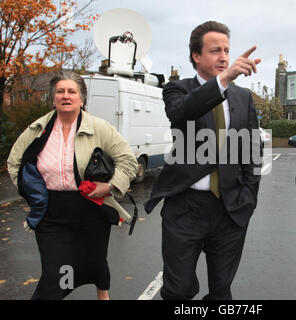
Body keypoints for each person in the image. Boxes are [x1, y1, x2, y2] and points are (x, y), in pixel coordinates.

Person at [144, 21, 262, 300]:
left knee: (222, 291)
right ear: (196, 56)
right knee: (178, 290)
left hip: (230, 209)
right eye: (215, 51)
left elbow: (252, 150)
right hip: (185, 208)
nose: (223, 57)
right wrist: (223, 80)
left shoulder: (243, 97)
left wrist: (249, 196)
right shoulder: (177, 90)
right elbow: (182, 113)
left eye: (227, 50)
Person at [7, 70, 138, 300]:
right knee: (53, 272)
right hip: (50, 212)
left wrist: (108, 188)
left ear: (82, 98)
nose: (66, 96)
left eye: (71, 91)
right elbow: (14, 162)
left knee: (95, 261)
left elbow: (128, 161)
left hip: (91, 210)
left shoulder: (100, 128)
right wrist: (31, 193)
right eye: (60, 91)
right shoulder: (37, 129)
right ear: (53, 97)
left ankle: (102, 293)